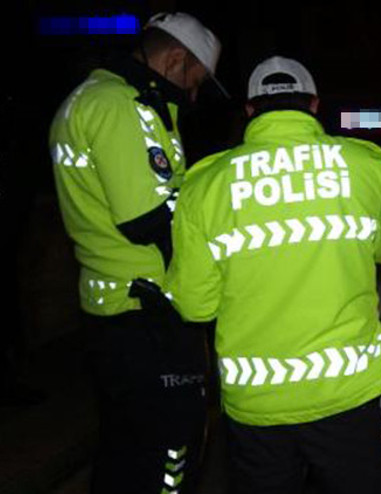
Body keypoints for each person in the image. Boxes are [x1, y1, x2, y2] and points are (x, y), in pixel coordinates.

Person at [165, 56, 381, 494]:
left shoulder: (205, 185)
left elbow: (194, 304)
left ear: (250, 111)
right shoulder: (366, 165)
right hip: (348, 396)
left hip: (257, 408)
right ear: (314, 105)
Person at [48, 12, 222, 493]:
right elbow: (150, 219)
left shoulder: (99, 98)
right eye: (194, 80)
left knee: (125, 447)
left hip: (118, 308)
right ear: (175, 58)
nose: (192, 94)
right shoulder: (121, 107)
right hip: (144, 313)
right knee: (172, 445)